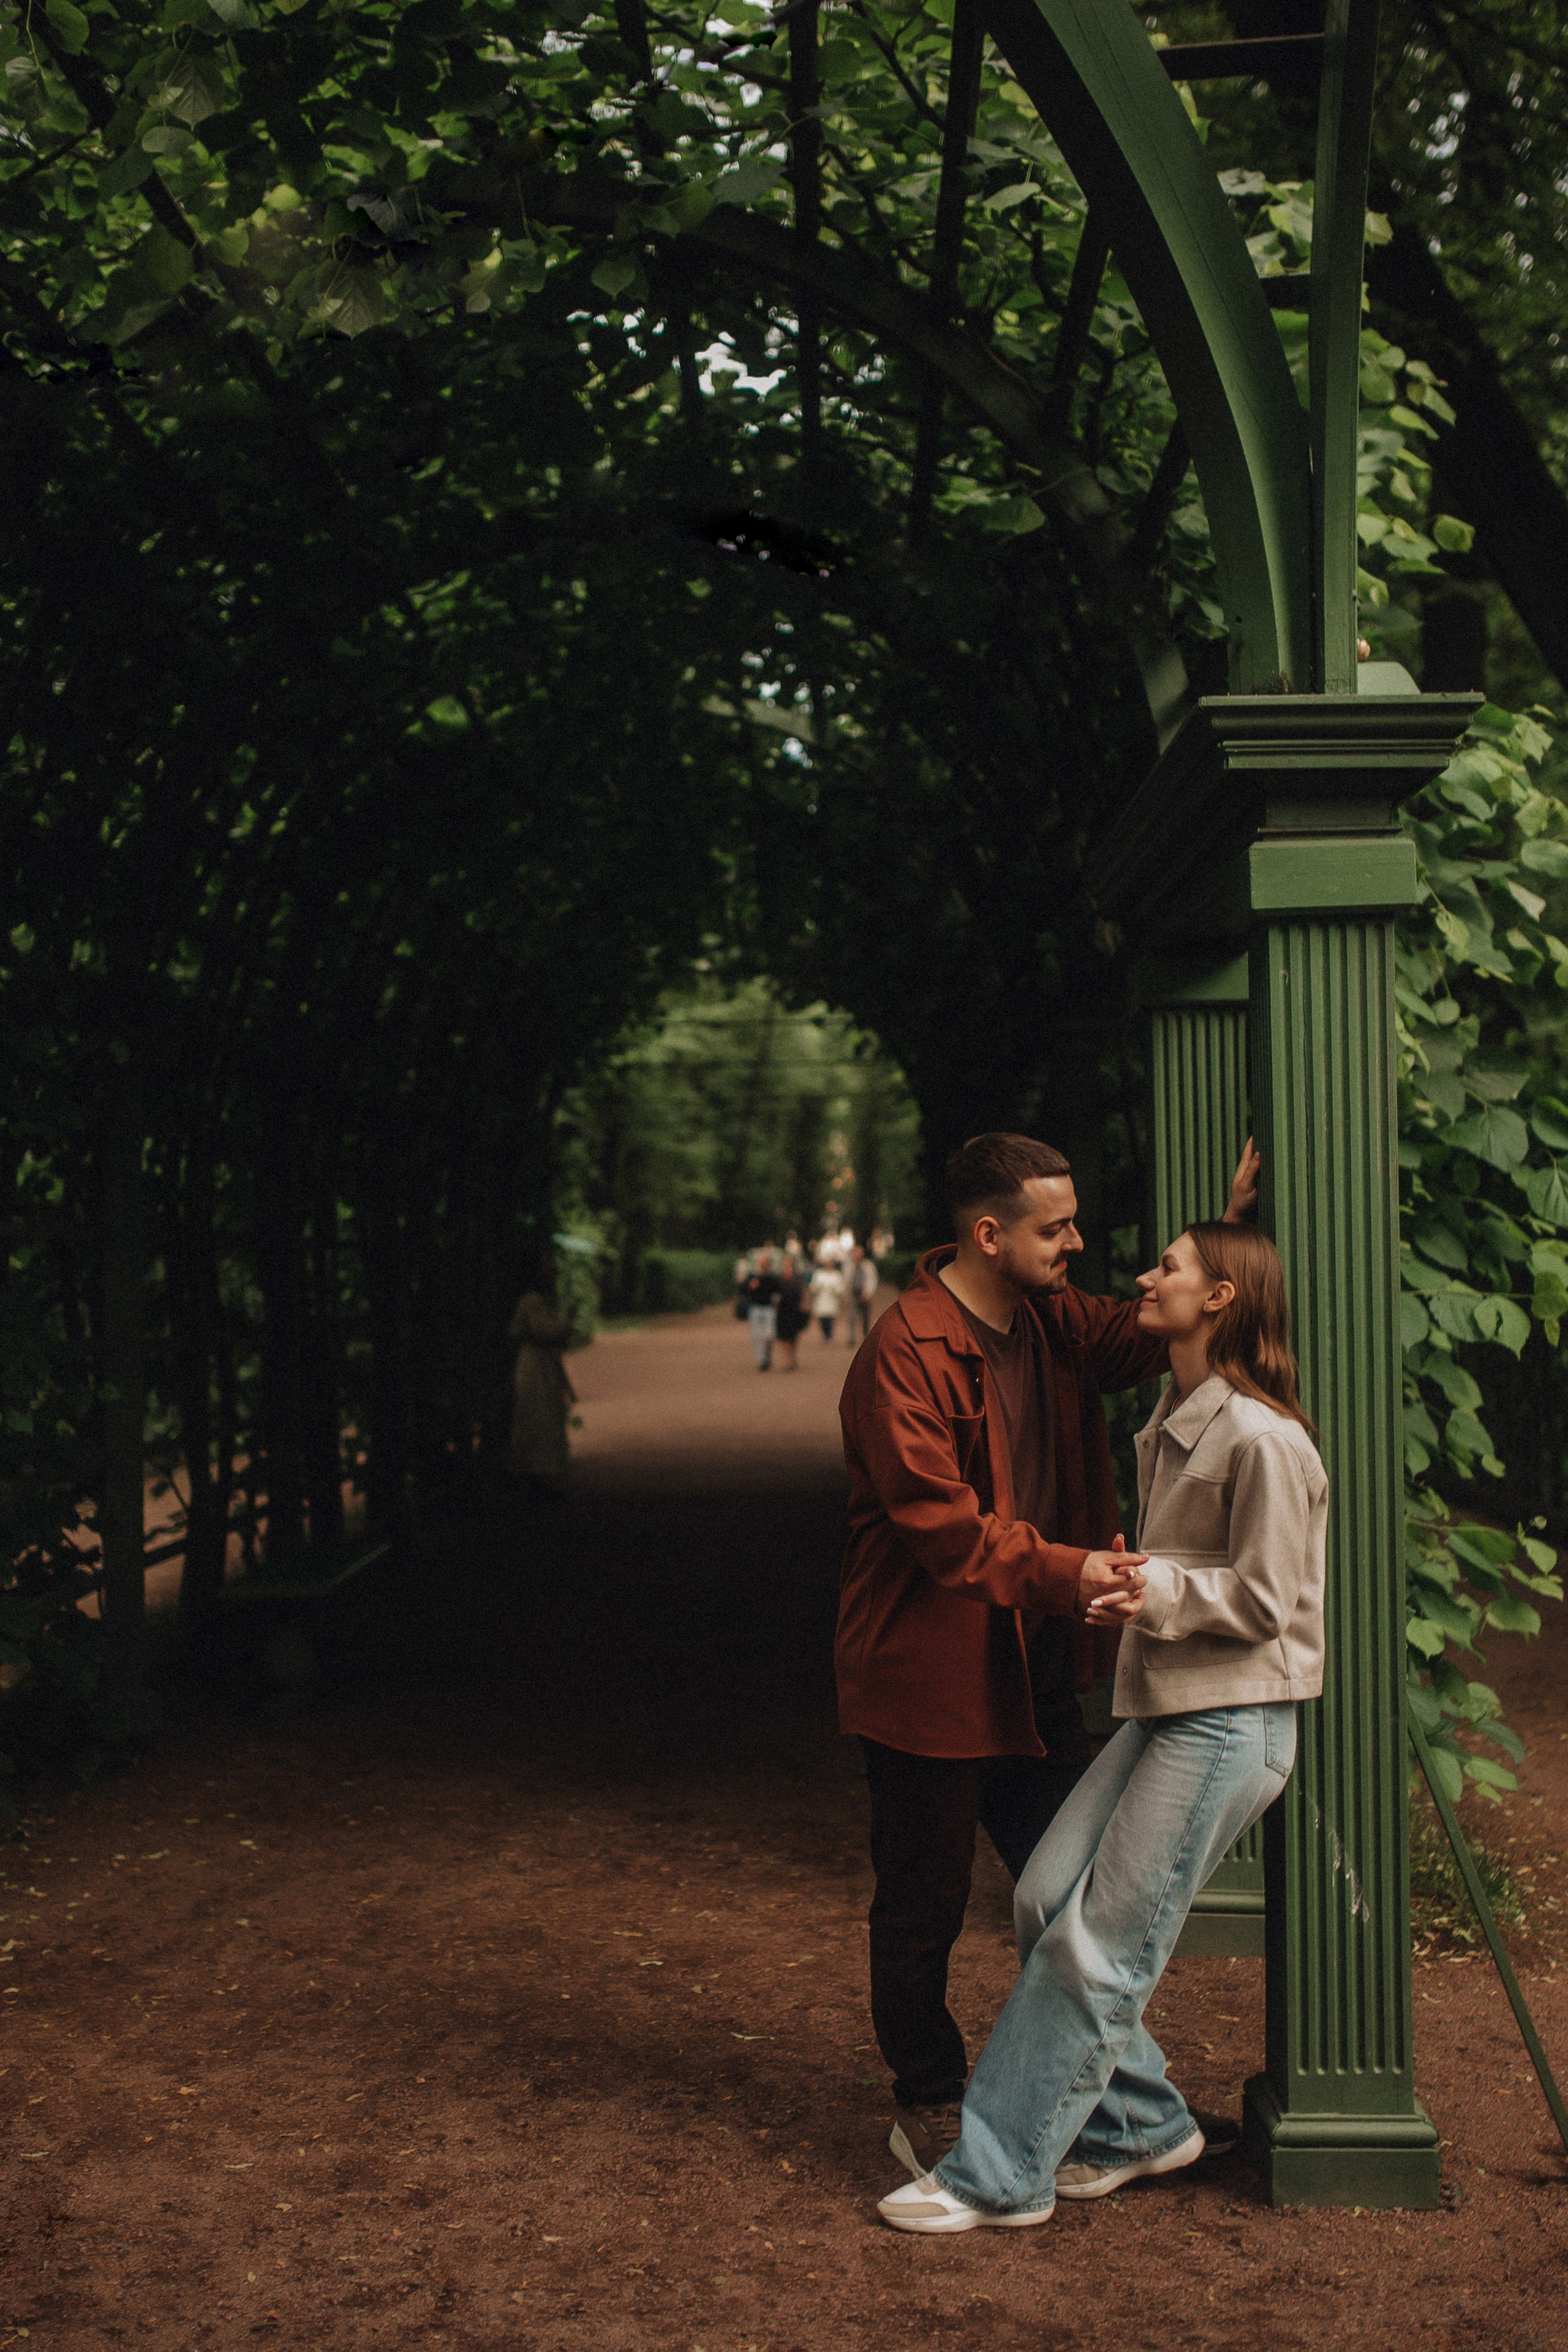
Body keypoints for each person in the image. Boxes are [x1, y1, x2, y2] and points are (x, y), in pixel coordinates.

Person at [876, 1218, 1326, 2234]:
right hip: (1172, 1710)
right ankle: (1140, 2124)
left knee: (1095, 1947)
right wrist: (1138, 1589)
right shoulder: (1181, 1406)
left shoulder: (1265, 1438)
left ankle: (998, 2173)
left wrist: (1152, 1588)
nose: (1142, 1277)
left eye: (1168, 1266)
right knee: (1044, 1899)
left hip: (1232, 1721)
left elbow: (1275, 1600)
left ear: (1219, 1298)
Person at [837, 1129, 1259, 2184]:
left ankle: (1134, 2116)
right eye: (1054, 1226)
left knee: (1077, 1901)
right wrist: (1078, 1575)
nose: (1077, 1243)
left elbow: (1149, 1325)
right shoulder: (904, 1352)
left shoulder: (1052, 1318)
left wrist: (1229, 1236)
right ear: (990, 1234)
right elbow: (944, 1533)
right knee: (922, 1906)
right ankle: (931, 2100)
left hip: (1028, 1673)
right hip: (927, 1679)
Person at [507, 1251, 577, 1496]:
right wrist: (567, 1322)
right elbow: (546, 1332)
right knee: (536, 1419)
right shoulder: (531, 1302)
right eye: (545, 1262)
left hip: (541, 1365)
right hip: (535, 1366)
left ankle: (538, 1477)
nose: (551, 1267)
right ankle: (533, 1477)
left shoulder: (537, 1300)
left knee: (542, 1419)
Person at [742, 1248, 783, 1371]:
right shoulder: (753, 1276)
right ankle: (762, 1361)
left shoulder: (773, 1277)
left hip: (769, 1308)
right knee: (756, 1336)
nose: (764, 1264)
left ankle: (766, 1356)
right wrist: (750, 1286)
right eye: (762, 1262)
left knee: (770, 1335)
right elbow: (743, 1289)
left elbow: (778, 1291)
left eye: (766, 1262)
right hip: (755, 1308)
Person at [774, 1253, 808, 1370]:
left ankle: (793, 1356)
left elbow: (802, 1293)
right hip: (783, 1311)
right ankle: (787, 1360)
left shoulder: (798, 1278)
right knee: (785, 1337)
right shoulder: (779, 1278)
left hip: (795, 1311)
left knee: (794, 1336)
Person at [846, 1245, 879, 1344]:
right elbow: (846, 1281)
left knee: (866, 1317)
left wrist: (868, 1292)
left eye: (859, 1253)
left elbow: (873, 1280)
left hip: (865, 1294)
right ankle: (852, 1338)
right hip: (853, 1294)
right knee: (852, 1317)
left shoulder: (868, 1266)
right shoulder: (849, 1267)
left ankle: (866, 1337)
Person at [809, 1254, 845, 1341]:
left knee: (830, 1319)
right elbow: (813, 1286)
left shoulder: (837, 1275)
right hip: (821, 1300)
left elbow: (841, 1287)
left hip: (832, 1300)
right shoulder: (819, 1274)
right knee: (822, 1318)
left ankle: (829, 1335)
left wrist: (836, 1290)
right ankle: (825, 1334)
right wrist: (816, 1288)